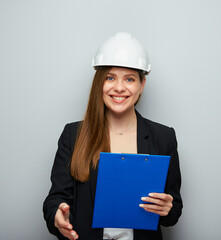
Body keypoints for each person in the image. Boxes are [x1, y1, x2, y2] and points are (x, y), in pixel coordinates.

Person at [43, 32, 182, 240]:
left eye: (129, 79)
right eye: (110, 78)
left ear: (142, 84)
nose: (119, 87)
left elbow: (173, 211)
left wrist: (167, 207)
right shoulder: (73, 135)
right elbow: (55, 199)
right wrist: (57, 214)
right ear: (99, 82)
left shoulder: (163, 137)